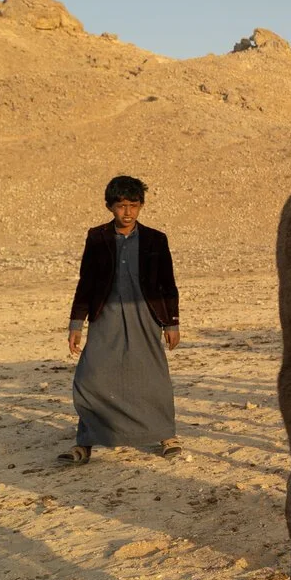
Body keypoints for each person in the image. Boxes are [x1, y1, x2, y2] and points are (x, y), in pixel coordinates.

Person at [59, 175, 182, 464]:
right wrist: (76, 324)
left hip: (146, 315)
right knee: (92, 377)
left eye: (133, 205)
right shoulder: (97, 237)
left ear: (141, 206)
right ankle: (86, 440)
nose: (127, 212)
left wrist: (171, 323)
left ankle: (167, 435)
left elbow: (168, 282)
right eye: (121, 206)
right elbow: (86, 282)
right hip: (106, 315)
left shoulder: (156, 239)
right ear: (110, 206)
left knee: (153, 377)